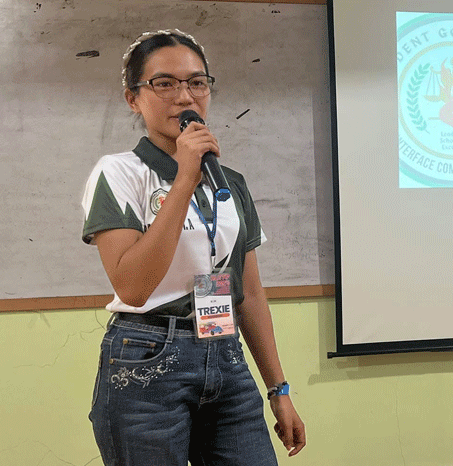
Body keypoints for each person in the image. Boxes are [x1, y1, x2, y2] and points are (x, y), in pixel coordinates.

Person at [81, 29, 305, 465]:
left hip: (225, 352)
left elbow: (250, 293)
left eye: (197, 83)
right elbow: (133, 288)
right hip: (147, 356)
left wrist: (279, 389)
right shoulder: (119, 173)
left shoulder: (229, 182)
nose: (184, 96)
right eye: (164, 83)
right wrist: (184, 178)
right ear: (133, 98)